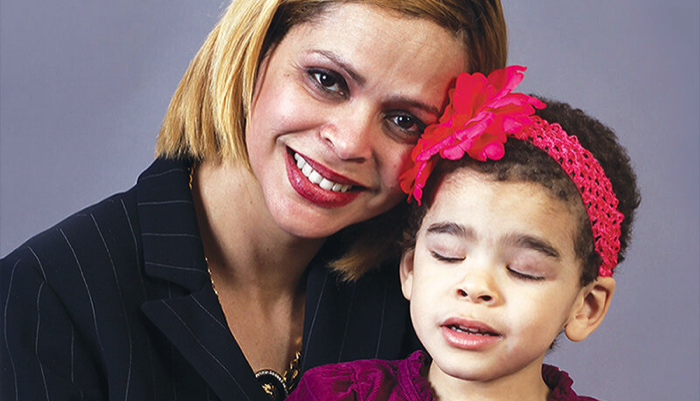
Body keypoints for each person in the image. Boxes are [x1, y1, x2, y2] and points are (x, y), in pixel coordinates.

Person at [0, 1, 508, 400]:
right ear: (254, 52)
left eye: (405, 121)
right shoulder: (48, 294)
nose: (351, 142)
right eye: (327, 81)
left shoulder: (426, 300)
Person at [285, 66, 641, 400]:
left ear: (587, 306)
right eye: (447, 254)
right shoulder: (339, 394)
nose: (475, 287)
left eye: (523, 270)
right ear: (410, 269)